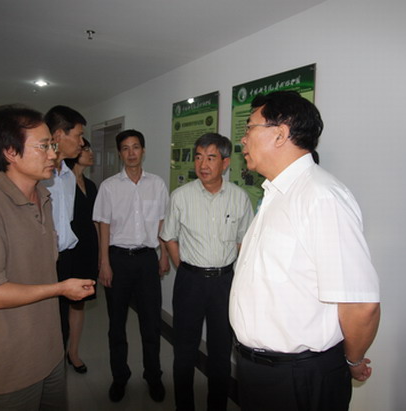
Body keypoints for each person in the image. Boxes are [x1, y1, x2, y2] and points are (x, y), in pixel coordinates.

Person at [229, 91, 380, 411]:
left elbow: (361, 304)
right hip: (259, 370)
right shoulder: (276, 193)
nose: (243, 139)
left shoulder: (321, 197)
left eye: (249, 127)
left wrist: (352, 361)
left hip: (299, 377)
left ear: (280, 133)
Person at [0, 105, 95, 410]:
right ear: (10, 152)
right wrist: (60, 288)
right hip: (6, 365)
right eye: (44, 146)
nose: (53, 154)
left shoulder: (43, 197)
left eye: (53, 145)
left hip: (48, 352)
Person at [160, 133, 253, 411]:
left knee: (221, 351)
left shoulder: (239, 198)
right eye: (199, 157)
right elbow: (169, 236)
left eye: (211, 158)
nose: (203, 164)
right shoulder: (181, 196)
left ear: (225, 162)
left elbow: (243, 241)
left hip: (224, 283)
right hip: (190, 281)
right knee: (184, 350)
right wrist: (183, 266)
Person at [92, 129, 170, 403]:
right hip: (118, 260)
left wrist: (163, 254)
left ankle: (153, 375)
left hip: (147, 259)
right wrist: (104, 262)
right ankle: (120, 377)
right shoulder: (109, 186)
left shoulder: (157, 184)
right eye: (125, 148)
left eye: (136, 147)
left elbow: (162, 221)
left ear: (143, 150)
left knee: (151, 323)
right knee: (117, 324)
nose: (131, 152)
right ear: (119, 153)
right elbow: (103, 225)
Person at [43, 105, 86, 357]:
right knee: (43, 325)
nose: (81, 143)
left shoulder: (69, 177)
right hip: (42, 260)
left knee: (62, 323)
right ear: (59, 135)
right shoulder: (38, 176)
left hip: (66, 257)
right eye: (78, 135)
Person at [63, 137, 99, 373]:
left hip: (87, 250)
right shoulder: (60, 181)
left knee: (78, 304)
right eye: (85, 148)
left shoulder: (92, 185)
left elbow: (96, 221)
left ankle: (73, 352)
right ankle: (55, 353)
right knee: (60, 305)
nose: (90, 152)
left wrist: (101, 254)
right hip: (67, 251)